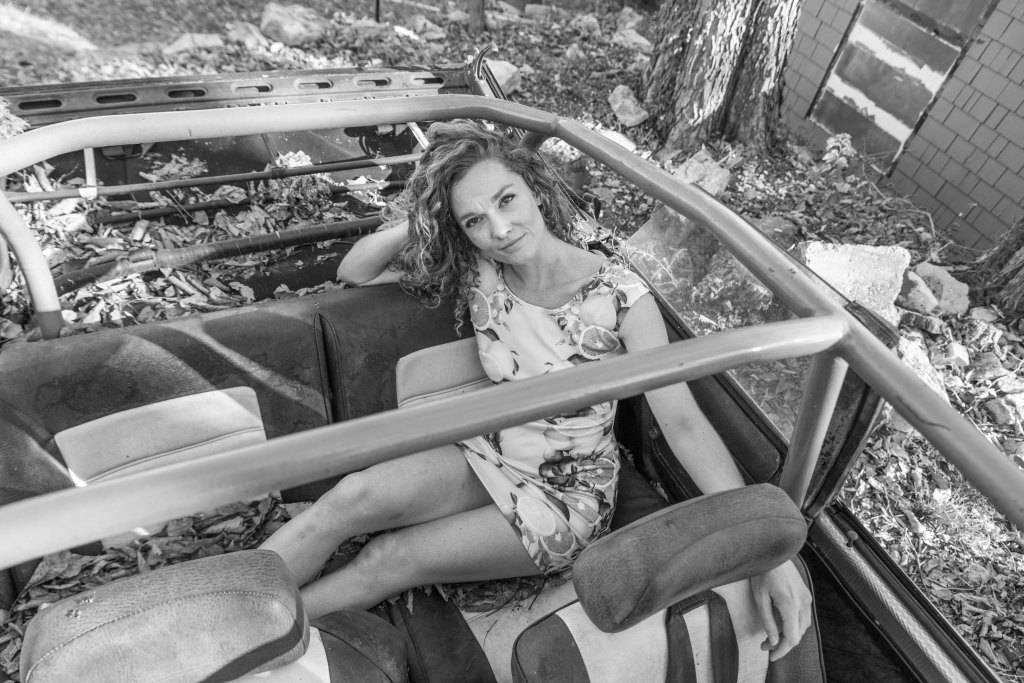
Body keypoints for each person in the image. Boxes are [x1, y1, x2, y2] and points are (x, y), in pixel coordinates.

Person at [261, 119, 811, 659]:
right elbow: (356, 272)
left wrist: (766, 549)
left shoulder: (619, 300)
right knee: (351, 498)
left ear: (536, 188)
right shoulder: (479, 268)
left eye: (506, 200)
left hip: (566, 495)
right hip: (490, 450)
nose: (499, 229)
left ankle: (251, 640)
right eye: (475, 219)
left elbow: (684, 425)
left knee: (389, 557)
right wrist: (430, 214)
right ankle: (231, 598)